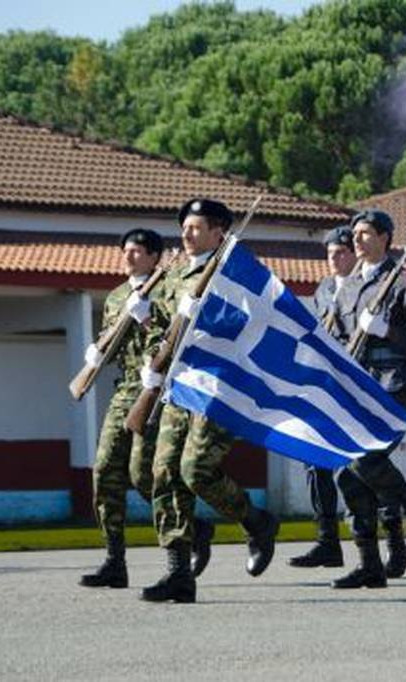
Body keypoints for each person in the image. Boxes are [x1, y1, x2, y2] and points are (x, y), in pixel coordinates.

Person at [140, 198, 277, 603]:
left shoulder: (236, 272)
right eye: (184, 226)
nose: (186, 233)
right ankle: (179, 573)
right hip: (178, 386)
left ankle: (256, 521)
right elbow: (161, 330)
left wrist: (211, 316)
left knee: (196, 469)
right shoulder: (174, 277)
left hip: (219, 385)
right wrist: (153, 358)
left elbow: (256, 324)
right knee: (163, 472)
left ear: (219, 233)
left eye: (196, 227)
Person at [288, 225, 406, 578]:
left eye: (341, 251)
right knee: (320, 464)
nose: (336, 258)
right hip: (334, 387)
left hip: (374, 382)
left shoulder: (382, 285)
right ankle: (331, 540)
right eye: (330, 253)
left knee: (364, 466)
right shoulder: (327, 290)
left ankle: (395, 543)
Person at [329, 209, 406, 589]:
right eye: (354, 235)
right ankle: (370, 564)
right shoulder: (347, 288)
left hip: (395, 384)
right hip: (358, 384)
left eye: (365, 234)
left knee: (366, 458)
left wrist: (387, 330)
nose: (356, 241)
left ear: (385, 238)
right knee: (347, 471)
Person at [79, 229, 174, 589]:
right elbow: (113, 340)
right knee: (104, 471)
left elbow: (173, 340)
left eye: (136, 252)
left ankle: (191, 531)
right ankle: (114, 560)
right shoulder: (119, 295)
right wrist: (99, 351)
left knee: (143, 476)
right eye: (126, 251)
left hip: (155, 390)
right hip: (125, 390)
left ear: (154, 257)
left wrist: (149, 318)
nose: (129, 257)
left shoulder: (166, 291)